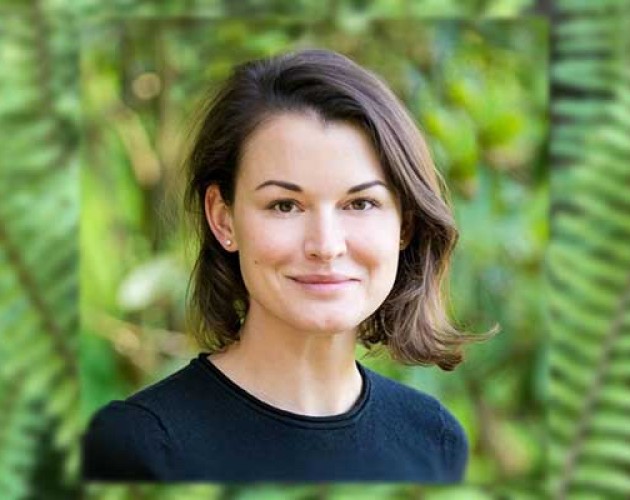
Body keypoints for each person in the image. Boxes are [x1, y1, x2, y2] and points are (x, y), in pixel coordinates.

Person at [82, 48, 489, 483]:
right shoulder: (137, 445)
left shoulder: (434, 440)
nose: (326, 246)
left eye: (361, 203)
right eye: (285, 205)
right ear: (223, 218)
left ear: (404, 226)